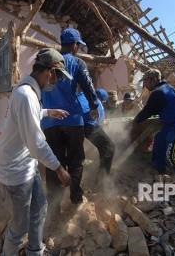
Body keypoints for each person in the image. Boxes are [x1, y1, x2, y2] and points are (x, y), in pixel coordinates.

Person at [0, 48, 72, 256]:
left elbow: (26, 115)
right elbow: (37, 144)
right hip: (15, 171)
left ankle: (35, 250)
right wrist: (59, 169)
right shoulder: (26, 95)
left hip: (26, 165)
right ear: (49, 72)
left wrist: (47, 112)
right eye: (56, 76)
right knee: (19, 227)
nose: (55, 81)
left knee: (39, 208)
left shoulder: (27, 90)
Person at [41, 28, 99, 212]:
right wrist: (94, 104)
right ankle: (75, 198)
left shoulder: (48, 61)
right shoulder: (77, 62)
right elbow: (88, 86)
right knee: (75, 161)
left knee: (53, 163)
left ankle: (54, 203)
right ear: (74, 45)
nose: (77, 49)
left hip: (50, 122)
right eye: (78, 46)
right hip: (73, 120)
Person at [132, 69, 175, 185]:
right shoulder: (165, 88)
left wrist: (134, 121)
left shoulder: (160, 92)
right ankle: (158, 167)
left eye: (146, 81)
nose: (145, 84)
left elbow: (148, 111)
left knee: (173, 155)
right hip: (172, 122)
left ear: (154, 79)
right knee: (159, 138)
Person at [78, 89, 115, 187]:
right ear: (103, 100)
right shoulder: (97, 103)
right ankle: (102, 182)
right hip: (87, 125)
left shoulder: (83, 96)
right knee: (109, 146)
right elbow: (98, 123)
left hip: (73, 124)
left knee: (74, 154)